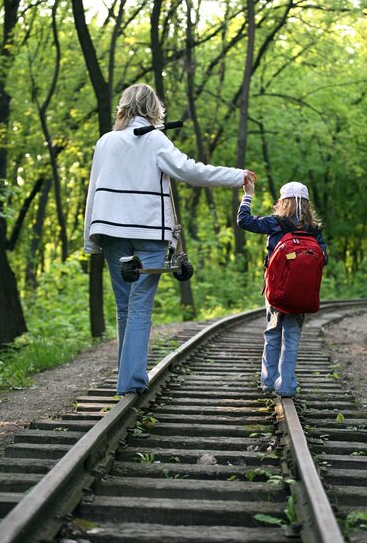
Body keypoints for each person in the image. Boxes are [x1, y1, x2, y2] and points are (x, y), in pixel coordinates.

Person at [84, 83, 256, 395]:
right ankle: (131, 383)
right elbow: (191, 172)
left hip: (110, 231)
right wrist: (236, 176)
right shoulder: (155, 140)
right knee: (139, 305)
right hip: (149, 233)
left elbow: (93, 191)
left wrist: (90, 240)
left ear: (123, 108)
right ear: (154, 110)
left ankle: (128, 381)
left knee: (125, 306)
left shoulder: (106, 142)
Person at [237, 178, 328, 397]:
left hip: (276, 290)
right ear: (307, 204)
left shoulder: (275, 223)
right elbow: (323, 259)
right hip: (302, 293)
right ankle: (287, 385)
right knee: (292, 337)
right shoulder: (314, 229)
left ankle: (268, 382)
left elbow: (244, 220)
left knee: (272, 333)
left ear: (282, 201)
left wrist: (248, 194)